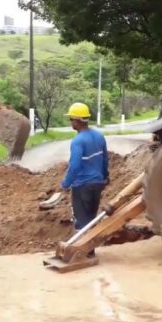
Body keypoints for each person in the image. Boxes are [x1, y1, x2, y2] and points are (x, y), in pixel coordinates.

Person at [60, 102, 108, 258]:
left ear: (77, 120)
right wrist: (105, 177)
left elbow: (74, 167)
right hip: (97, 184)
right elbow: (105, 159)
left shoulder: (78, 141)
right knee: (91, 218)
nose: (70, 123)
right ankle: (90, 250)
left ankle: (82, 252)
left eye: (71, 119)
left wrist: (65, 184)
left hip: (82, 186)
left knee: (81, 220)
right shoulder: (99, 136)